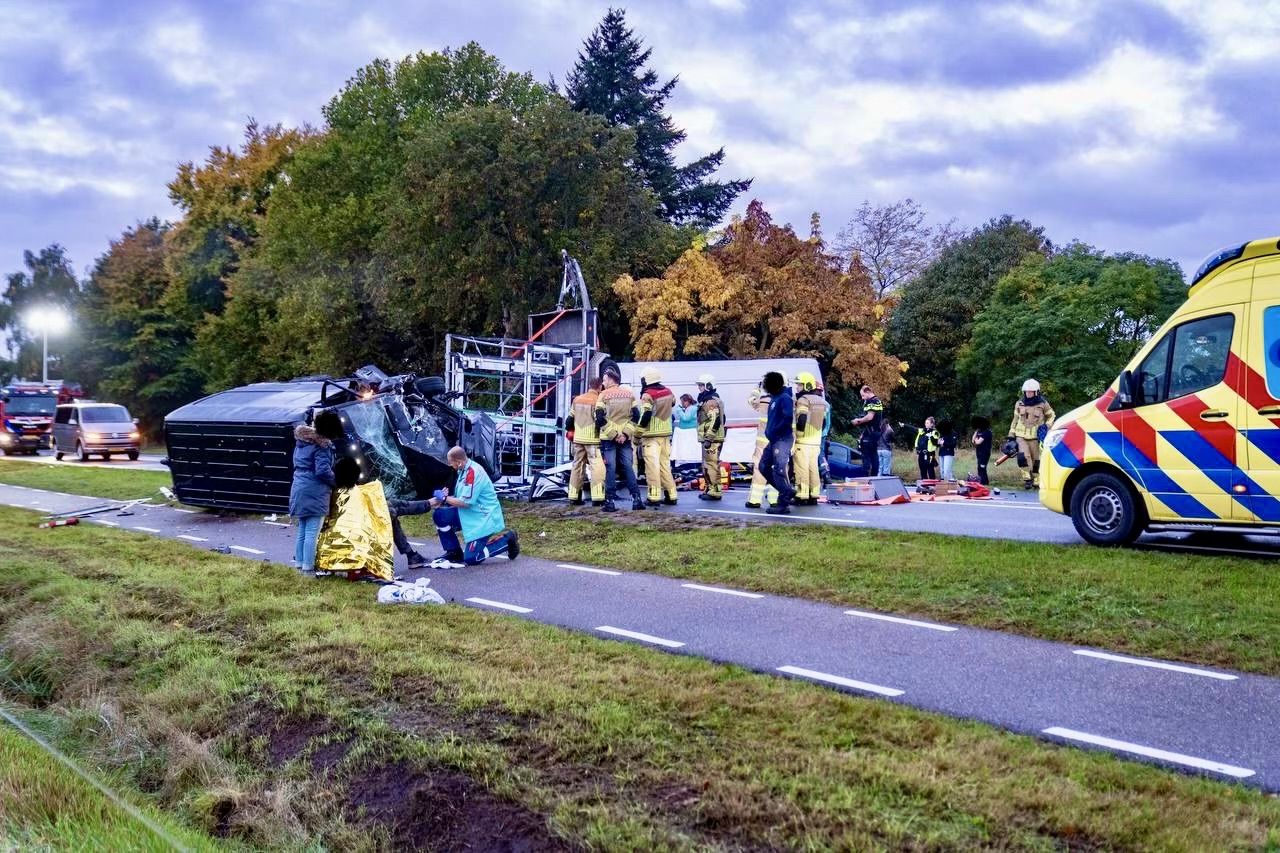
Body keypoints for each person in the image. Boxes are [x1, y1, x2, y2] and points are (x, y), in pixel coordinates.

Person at [428, 446, 519, 565]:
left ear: (459, 462)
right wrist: (445, 498)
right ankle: (453, 552)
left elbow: (465, 502)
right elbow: (462, 497)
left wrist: (444, 498)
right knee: (439, 515)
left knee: (472, 558)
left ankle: (507, 540)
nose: (450, 465)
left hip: (482, 518)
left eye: (451, 463)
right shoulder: (463, 470)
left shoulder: (472, 472)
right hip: (470, 513)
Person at [289, 409, 341, 575]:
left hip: (299, 487)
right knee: (312, 531)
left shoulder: (301, 442)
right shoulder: (322, 445)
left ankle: (299, 564)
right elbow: (322, 471)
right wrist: (337, 482)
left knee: (303, 529)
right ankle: (308, 568)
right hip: (314, 490)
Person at [594, 362, 645, 512]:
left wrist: (614, 434)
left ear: (610, 379)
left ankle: (609, 502)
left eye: (604, 380)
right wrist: (625, 434)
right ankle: (637, 499)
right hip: (625, 438)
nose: (602, 383)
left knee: (610, 468)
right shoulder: (629, 395)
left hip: (608, 439)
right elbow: (636, 416)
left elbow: (599, 417)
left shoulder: (603, 395)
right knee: (628, 467)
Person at [637, 367, 679, 505]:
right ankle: (671, 495)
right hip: (666, 434)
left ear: (646, 379)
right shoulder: (668, 391)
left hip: (651, 435)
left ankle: (653, 496)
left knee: (652, 467)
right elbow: (673, 403)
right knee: (664, 466)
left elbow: (646, 414)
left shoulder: (647, 395)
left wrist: (638, 433)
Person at [758, 371, 796, 514]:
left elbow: (787, 418)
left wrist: (775, 431)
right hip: (774, 439)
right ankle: (786, 491)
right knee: (763, 466)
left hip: (782, 439)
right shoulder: (775, 398)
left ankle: (783, 503)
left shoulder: (784, 398)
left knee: (779, 469)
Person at [1008, 378, 1056, 489]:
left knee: (1037, 460)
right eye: (1027, 392)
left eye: (1031, 392)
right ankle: (1027, 479)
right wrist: (1011, 435)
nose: (1028, 393)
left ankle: (1037, 479)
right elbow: (1015, 420)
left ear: (1036, 392)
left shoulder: (1043, 404)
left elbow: (1052, 416)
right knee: (1023, 457)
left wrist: (1047, 426)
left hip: (1036, 437)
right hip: (1021, 437)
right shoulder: (1019, 403)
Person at [791, 371, 827, 505]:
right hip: (815, 442)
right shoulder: (821, 401)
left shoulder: (803, 400)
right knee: (813, 469)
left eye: (799, 385)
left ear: (806, 385)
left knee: (801, 469)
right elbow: (822, 423)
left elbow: (802, 418)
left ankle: (801, 495)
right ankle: (814, 495)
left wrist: (799, 433)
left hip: (803, 441)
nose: (797, 388)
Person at [568, 377, 605, 507]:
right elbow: (599, 420)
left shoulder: (577, 399)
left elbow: (569, 421)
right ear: (600, 387)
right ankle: (598, 498)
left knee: (577, 466)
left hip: (578, 439)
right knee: (596, 467)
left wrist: (574, 431)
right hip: (593, 440)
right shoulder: (598, 400)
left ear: (590, 385)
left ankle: (573, 496)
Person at [745, 382, 778, 509]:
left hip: (763, 442)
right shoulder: (789, 402)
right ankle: (773, 500)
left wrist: (756, 388)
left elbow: (751, 400)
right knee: (776, 470)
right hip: (778, 442)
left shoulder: (763, 401)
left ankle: (754, 500)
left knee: (759, 469)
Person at [695, 373, 726, 501]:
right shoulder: (709, 400)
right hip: (710, 439)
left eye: (701, 385)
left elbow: (716, 420)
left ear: (709, 386)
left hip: (712, 440)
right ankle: (709, 488)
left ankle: (715, 490)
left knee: (711, 464)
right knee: (707, 464)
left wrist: (708, 438)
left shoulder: (711, 401)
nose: (699, 388)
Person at [850, 385, 885, 477]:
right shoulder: (877, 401)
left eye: (863, 395)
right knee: (874, 454)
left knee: (866, 455)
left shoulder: (872, 401)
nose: (862, 398)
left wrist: (858, 421)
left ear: (868, 392)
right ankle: (874, 477)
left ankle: (866, 477)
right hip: (875, 432)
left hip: (871, 433)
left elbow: (870, 417)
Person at [900, 417, 940, 481]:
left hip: (930, 454)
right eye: (925, 423)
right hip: (921, 453)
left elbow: (936, 443)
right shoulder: (922, 430)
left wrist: (931, 437)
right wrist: (904, 425)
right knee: (922, 470)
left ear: (932, 424)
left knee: (930, 471)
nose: (926, 424)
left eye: (927, 423)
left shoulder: (934, 432)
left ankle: (932, 486)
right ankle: (925, 487)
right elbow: (913, 428)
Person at [671, 393, 700, 464]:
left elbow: (686, 418)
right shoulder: (691, 408)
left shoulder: (692, 408)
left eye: (682, 402)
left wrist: (679, 410)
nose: (681, 404)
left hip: (689, 431)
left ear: (686, 401)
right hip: (688, 431)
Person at [971, 416, 993, 485]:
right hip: (979, 452)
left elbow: (978, 442)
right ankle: (983, 482)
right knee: (979, 467)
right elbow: (973, 440)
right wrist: (976, 432)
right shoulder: (979, 431)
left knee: (982, 467)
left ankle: (983, 482)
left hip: (985, 453)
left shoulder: (987, 432)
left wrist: (976, 440)